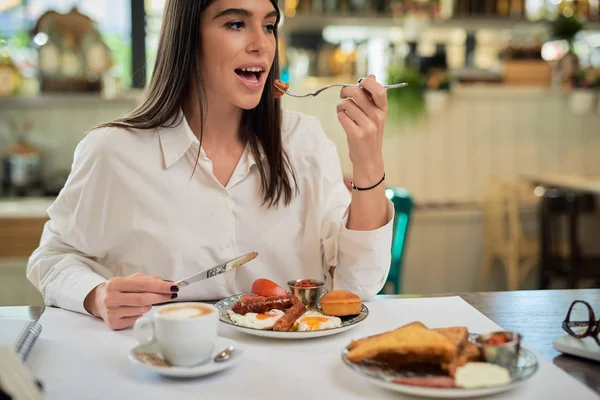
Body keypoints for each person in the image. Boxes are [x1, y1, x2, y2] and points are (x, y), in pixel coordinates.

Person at [27, 0, 394, 330]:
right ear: (188, 38)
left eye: (268, 25)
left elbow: (356, 287)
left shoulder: (305, 142)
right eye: (235, 23)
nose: (261, 43)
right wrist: (95, 295)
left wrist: (368, 161)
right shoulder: (113, 151)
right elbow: (54, 258)